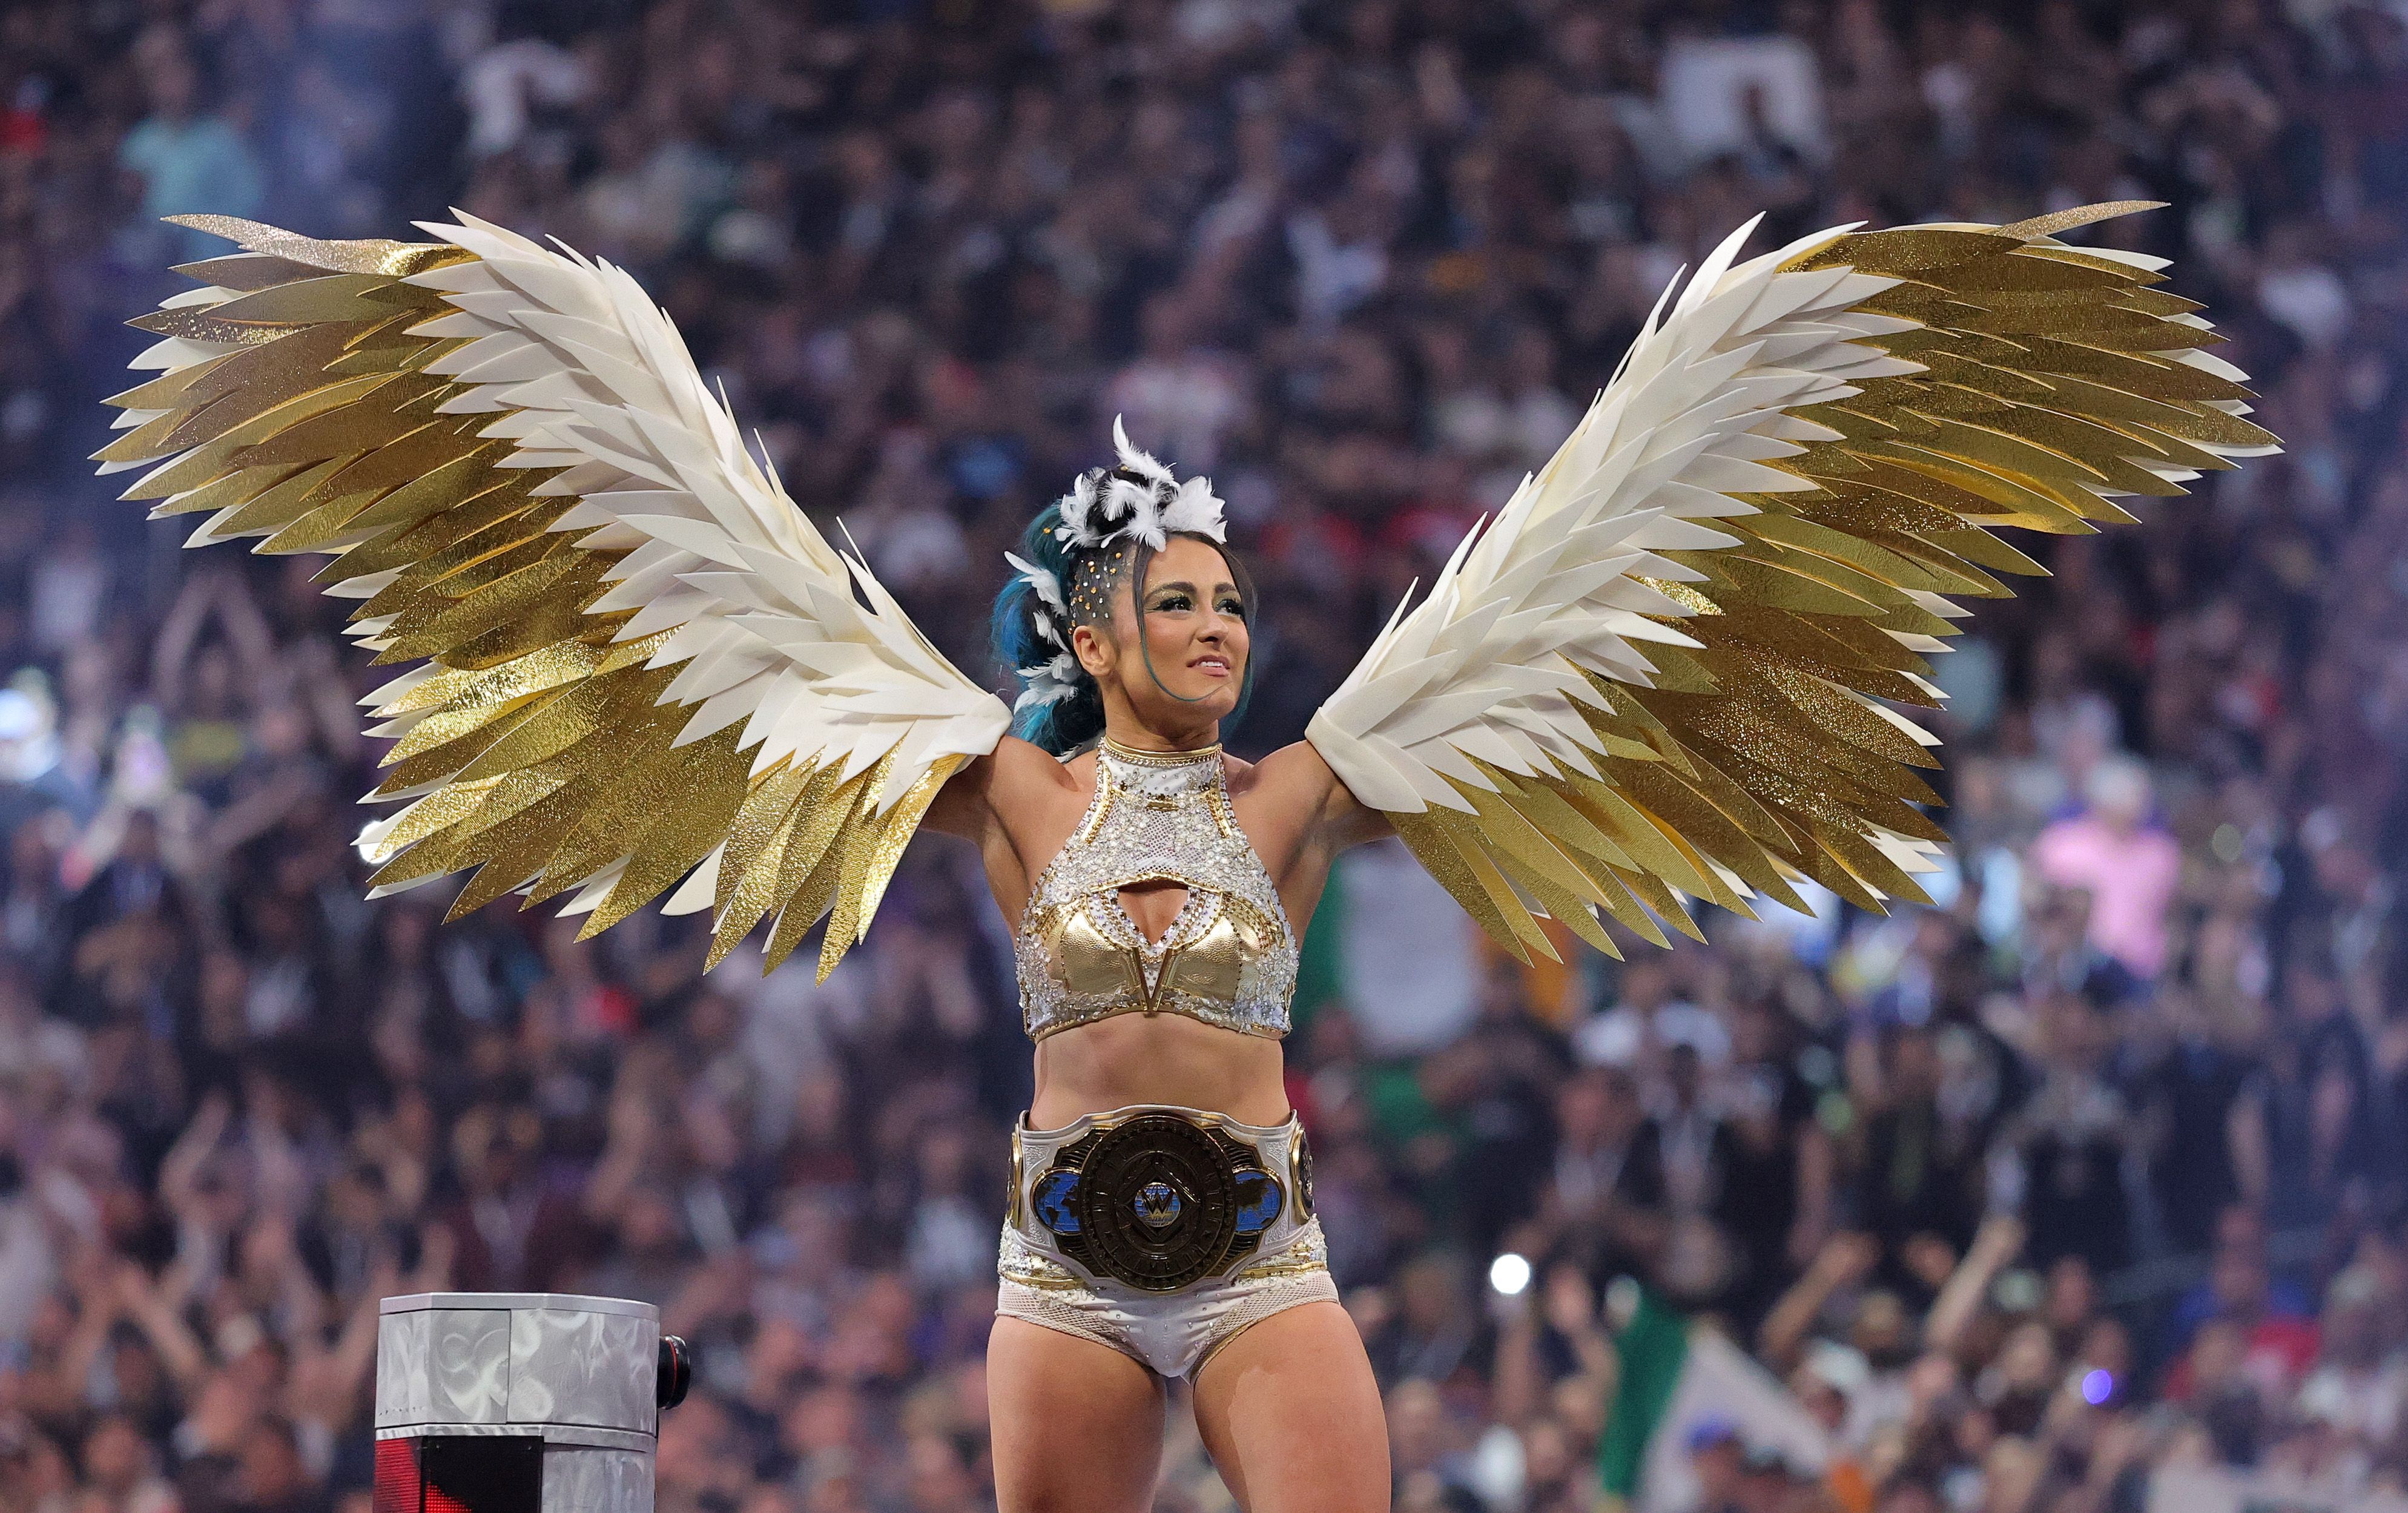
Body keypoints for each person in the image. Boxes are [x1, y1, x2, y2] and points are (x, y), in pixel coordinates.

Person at [99, 200, 2272, 1511]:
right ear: (1093, 632)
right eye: (1181, 601)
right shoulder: (1000, 792)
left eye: (1235, 600)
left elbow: (1595, 576)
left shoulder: (1299, 796)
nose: (1223, 625)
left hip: (1260, 1260)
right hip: (1057, 1270)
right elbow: (736, 593)